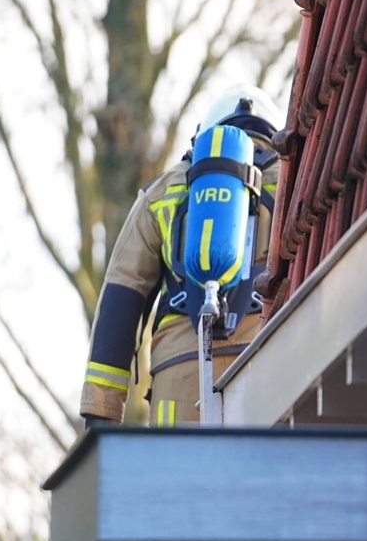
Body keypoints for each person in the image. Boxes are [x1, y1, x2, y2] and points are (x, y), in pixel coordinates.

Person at [80, 85, 283, 428]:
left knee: (178, 463)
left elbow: (121, 297)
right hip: (266, 362)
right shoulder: (294, 179)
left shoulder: (164, 190)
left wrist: (100, 412)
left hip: (179, 380)